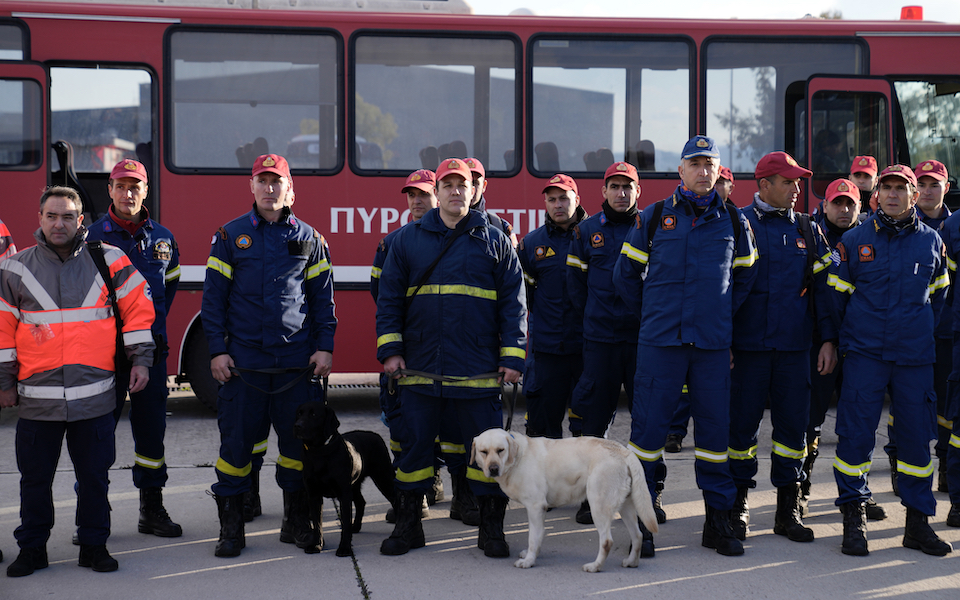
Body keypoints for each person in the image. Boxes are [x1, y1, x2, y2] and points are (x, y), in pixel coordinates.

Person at [614, 135, 759, 557]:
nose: (701, 171)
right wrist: (654, 316)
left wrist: (718, 317)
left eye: (708, 164)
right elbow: (624, 276)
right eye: (693, 163)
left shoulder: (734, 222)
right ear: (680, 171)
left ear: (717, 172)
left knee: (715, 438)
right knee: (647, 439)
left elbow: (745, 278)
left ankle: (717, 522)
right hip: (660, 345)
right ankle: (644, 525)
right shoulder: (655, 217)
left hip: (712, 347)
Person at [1, 186, 156, 577]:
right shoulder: (15, 269)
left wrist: (142, 361)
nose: (59, 223)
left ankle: (93, 546)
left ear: (80, 220)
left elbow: (139, 312)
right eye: (52, 216)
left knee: (94, 480)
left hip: (96, 398)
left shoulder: (109, 260)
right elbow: (2, 333)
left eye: (68, 216)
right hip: (38, 402)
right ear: (39, 219)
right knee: (34, 482)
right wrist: (4, 383)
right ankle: (32, 549)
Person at [376, 158, 526, 558]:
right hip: (421, 370)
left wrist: (513, 357)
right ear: (436, 191)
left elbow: (515, 304)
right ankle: (409, 527)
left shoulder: (494, 240)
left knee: (488, 456)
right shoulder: (406, 241)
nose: (456, 191)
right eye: (448, 185)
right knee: (414, 452)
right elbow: (388, 300)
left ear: (473, 190)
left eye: (463, 185)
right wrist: (390, 351)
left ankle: (491, 530)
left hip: (477, 371)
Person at [202, 154, 337, 558]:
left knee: (297, 452)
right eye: (263, 180)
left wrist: (324, 346)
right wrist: (217, 351)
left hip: (296, 368)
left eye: (277, 181)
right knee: (236, 450)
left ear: (290, 188)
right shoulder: (230, 236)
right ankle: (231, 528)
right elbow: (214, 302)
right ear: (252, 186)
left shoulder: (311, 238)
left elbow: (322, 301)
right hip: (244, 368)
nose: (270, 188)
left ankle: (295, 521)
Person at [828, 164, 952, 557]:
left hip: (914, 358)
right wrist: (840, 342)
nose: (895, 195)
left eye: (903, 189)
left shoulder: (932, 242)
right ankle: (854, 518)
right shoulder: (855, 239)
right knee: (855, 436)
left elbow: (938, 299)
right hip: (865, 355)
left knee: (916, 441)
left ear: (915, 197)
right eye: (888, 188)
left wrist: (913, 335)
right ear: (876, 195)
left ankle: (917, 524)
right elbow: (836, 299)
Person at [727, 152, 837, 544]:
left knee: (793, 431)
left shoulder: (808, 228)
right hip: (748, 351)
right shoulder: (737, 222)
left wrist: (827, 340)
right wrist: (723, 342)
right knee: (740, 433)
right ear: (764, 186)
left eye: (797, 182)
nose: (796, 189)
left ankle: (787, 510)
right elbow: (723, 290)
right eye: (788, 182)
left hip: (794, 352)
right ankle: (737, 505)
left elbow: (823, 292)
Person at [86, 159, 182, 539]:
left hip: (150, 353)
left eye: (135, 187)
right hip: (102, 355)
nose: (128, 194)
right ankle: (93, 511)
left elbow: (168, 289)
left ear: (146, 191)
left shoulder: (164, 239)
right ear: (109, 190)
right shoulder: (89, 238)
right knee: (95, 435)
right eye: (121, 186)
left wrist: (147, 333)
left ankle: (151, 509)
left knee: (151, 434)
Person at [801, 179, 887, 521]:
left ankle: (858, 495)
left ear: (860, 207)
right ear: (824, 207)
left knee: (857, 426)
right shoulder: (810, 238)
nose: (844, 210)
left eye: (850, 204)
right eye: (837, 204)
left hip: (861, 348)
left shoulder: (871, 238)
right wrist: (827, 341)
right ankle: (800, 491)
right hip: (821, 346)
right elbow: (818, 299)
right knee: (811, 422)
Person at [371, 169, 451, 523]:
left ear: (436, 196)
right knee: (404, 428)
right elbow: (382, 295)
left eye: (422, 195)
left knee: (443, 426)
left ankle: (437, 483)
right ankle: (412, 499)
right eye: (410, 196)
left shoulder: (453, 238)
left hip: (442, 350)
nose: (416, 202)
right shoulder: (393, 243)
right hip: (407, 350)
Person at [566, 161, 642, 525]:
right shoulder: (586, 231)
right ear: (604, 192)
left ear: (637, 192)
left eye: (628, 186)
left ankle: (647, 496)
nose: (621, 193)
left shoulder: (652, 227)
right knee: (595, 423)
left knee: (646, 421)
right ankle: (590, 498)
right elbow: (574, 286)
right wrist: (594, 320)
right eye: (614, 186)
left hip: (642, 342)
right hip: (601, 342)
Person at [518, 174, 587, 439]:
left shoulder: (593, 235)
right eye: (552, 199)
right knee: (544, 434)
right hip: (547, 352)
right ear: (545, 203)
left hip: (587, 349)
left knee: (588, 432)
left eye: (564, 198)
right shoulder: (532, 244)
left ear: (577, 200)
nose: (558, 204)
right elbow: (523, 295)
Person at [464, 157, 518, 247]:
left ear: (484, 186)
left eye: (475, 183)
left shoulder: (500, 227)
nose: (471, 189)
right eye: (466, 183)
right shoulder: (442, 225)